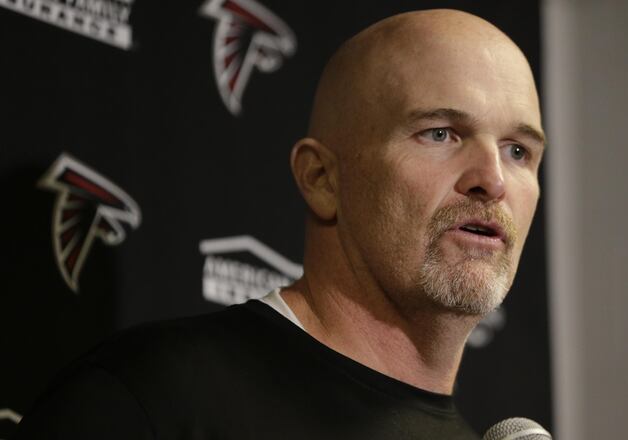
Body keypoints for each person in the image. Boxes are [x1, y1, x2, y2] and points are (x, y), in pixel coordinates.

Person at [15, 8, 545, 439]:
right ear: (321, 179)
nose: (492, 179)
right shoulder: (155, 397)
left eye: (518, 150)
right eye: (440, 133)